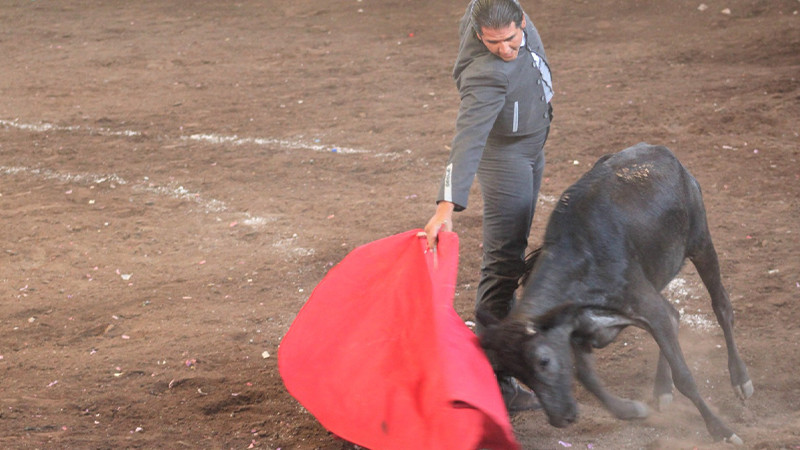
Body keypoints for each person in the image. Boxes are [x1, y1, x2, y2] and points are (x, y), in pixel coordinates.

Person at [423, 0, 553, 413]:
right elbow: (468, 139)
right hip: (506, 158)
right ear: (479, 36)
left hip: (532, 145)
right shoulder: (485, 74)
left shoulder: (493, 12)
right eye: (494, 43)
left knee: (513, 253)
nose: (507, 49)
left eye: (513, 39)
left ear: (523, 21)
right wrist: (447, 206)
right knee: (504, 261)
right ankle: (495, 379)